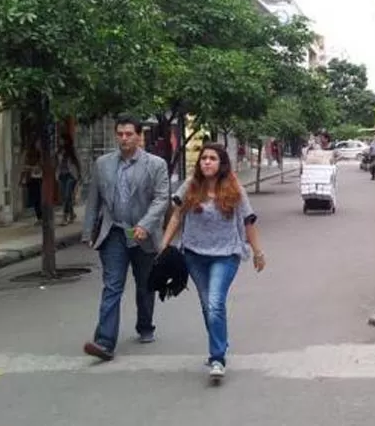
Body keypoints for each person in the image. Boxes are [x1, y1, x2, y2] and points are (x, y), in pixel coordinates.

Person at [162, 143, 266, 381]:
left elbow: (248, 221)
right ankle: (220, 342)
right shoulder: (190, 186)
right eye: (203, 158)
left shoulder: (234, 189)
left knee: (215, 303)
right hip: (194, 255)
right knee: (207, 305)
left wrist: (258, 253)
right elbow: (177, 216)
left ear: (221, 164)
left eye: (212, 158)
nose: (207, 162)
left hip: (226, 254)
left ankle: (217, 357)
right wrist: (164, 245)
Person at [82, 115, 170, 362]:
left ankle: (145, 325)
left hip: (143, 235)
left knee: (145, 285)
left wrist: (145, 225)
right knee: (112, 286)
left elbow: (161, 199)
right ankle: (104, 341)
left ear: (139, 136)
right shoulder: (103, 164)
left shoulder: (156, 165)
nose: (124, 138)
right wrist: (88, 231)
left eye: (129, 134)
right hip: (114, 232)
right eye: (120, 134)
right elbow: (94, 200)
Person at [57, 136, 82, 225]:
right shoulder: (59, 151)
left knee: (67, 196)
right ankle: (72, 214)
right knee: (66, 197)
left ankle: (65, 216)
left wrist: (79, 174)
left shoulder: (72, 151)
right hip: (62, 175)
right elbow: (57, 164)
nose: (61, 141)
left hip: (71, 175)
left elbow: (78, 162)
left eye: (62, 140)